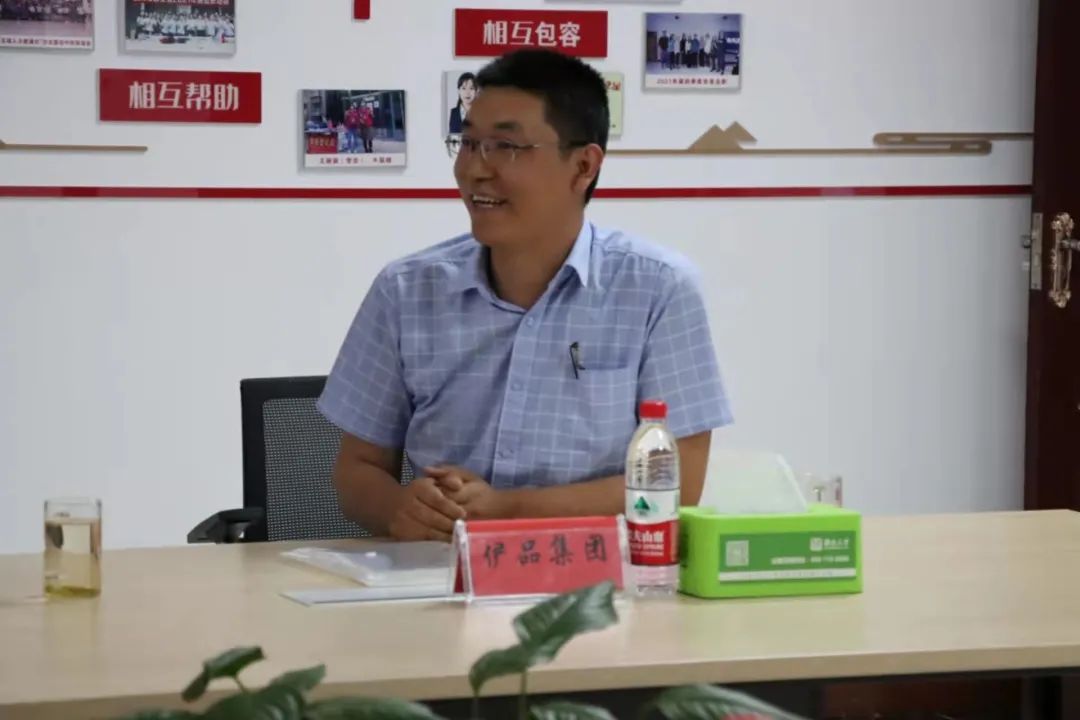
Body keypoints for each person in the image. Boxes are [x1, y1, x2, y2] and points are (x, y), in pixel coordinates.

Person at [317, 49, 731, 542]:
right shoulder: (406, 290)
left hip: (596, 574)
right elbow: (357, 470)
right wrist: (399, 509)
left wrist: (508, 510)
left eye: (506, 147)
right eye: (469, 143)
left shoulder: (657, 289)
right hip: (440, 573)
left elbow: (678, 482)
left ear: (583, 166)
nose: (475, 169)